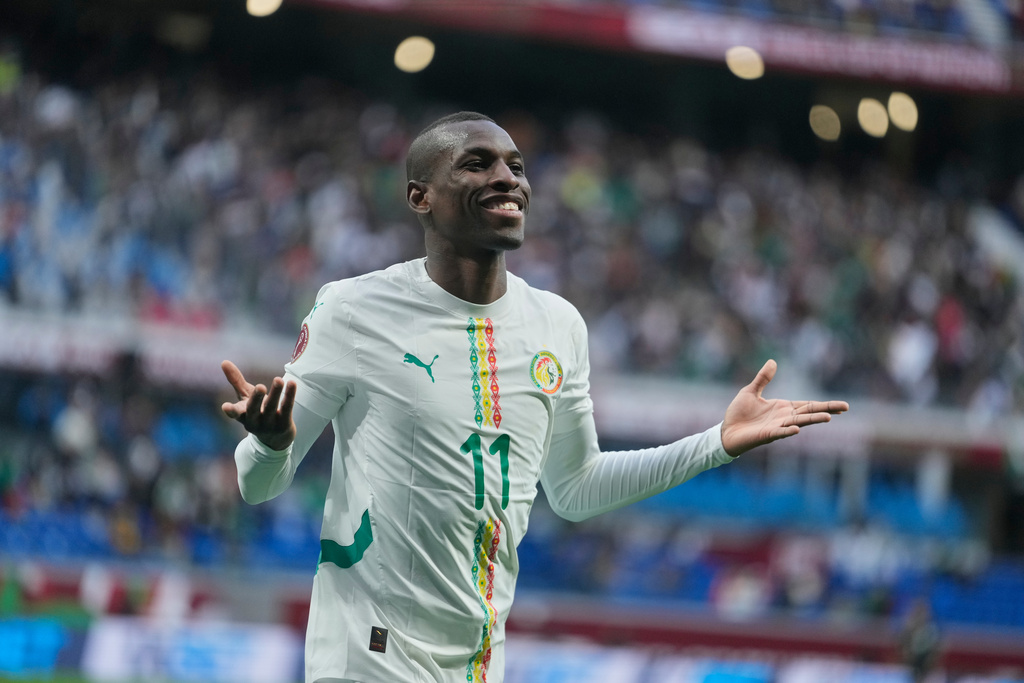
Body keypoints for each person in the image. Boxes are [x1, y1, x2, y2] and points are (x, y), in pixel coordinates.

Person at [220, 111, 850, 683]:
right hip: (368, 656)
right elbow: (257, 484)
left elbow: (574, 489)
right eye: (477, 164)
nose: (508, 179)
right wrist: (272, 444)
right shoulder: (353, 310)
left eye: (516, 167)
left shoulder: (558, 326)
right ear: (421, 197)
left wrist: (715, 444)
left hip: (479, 663)